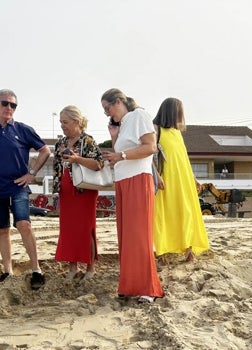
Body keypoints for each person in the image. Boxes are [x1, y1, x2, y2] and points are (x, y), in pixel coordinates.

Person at [0, 89, 51, 289]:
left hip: (18, 187)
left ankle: (36, 270)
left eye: (13, 105)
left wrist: (32, 173)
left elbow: (45, 150)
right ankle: (7, 271)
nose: (9, 108)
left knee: (24, 224)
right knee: (2, 230)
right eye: (5, 103)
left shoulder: (24, 129)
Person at [101, 88, 164, 303]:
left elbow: (150, 147)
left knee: (139, 236)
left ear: (118, 101)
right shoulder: (125, 123)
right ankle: (130, 285)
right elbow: (122, 155)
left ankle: (149, 288)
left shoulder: (139, 115)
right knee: (126, 236)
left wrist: (121, 154)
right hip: (123, 181)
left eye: (107, 108)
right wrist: (114, 138)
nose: (108, 114)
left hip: (138, 179)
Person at [152, 97, 209, 262]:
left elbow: (183, 158)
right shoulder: (156, 129)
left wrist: (193, 178)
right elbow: (150, 156)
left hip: (182, 179)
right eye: (179, 112)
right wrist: (156, 176)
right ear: (172, 112)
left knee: (186, 211)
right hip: (166, 178)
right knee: (163, 213)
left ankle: (188, 247)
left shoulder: (177, 133)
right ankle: (161, 252)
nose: (181, 116)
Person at [52, 105, 103, 280]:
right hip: (66, 190)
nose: (62, 125)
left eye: (65, 122)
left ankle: (90, 268)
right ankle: (72, 268)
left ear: (76, 122)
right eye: (60, 122)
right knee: (68, 229)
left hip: (84, 190)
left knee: (86, 228)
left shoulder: (87, 141)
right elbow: (57, 167)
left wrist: (77, 159)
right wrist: (56, 190)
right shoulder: (60, 142)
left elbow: (98, 164)